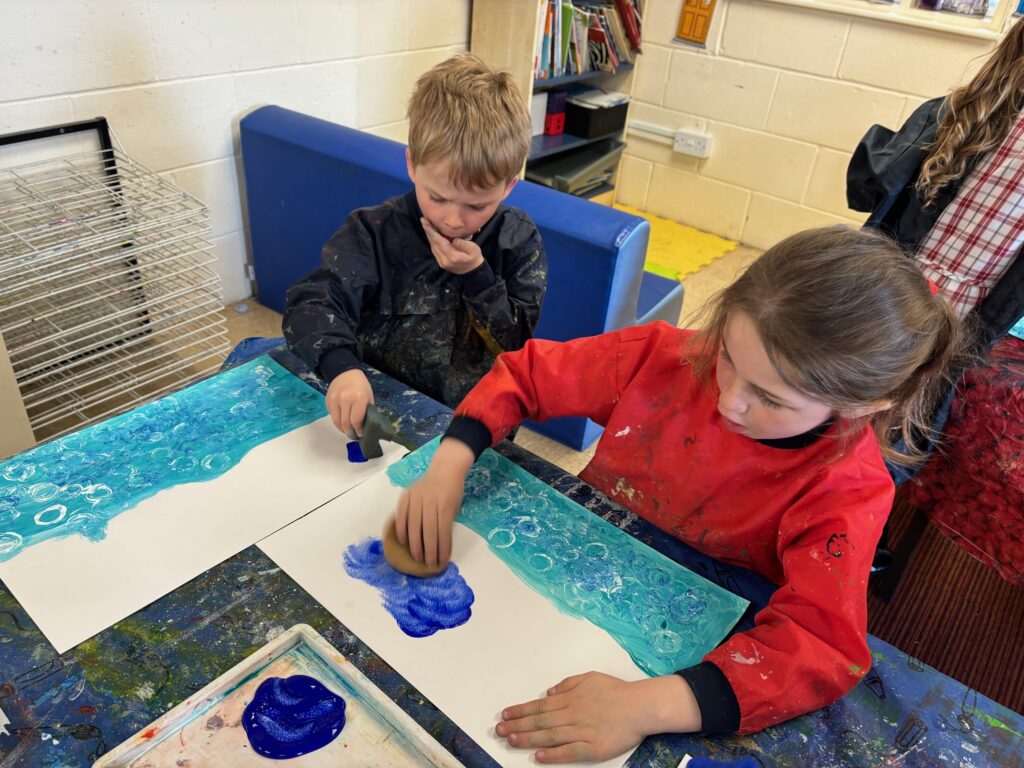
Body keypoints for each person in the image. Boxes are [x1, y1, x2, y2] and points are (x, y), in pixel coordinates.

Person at [394, 227, 965, 762]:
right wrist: (453, 459)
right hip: (585, 560)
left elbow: (821, 644)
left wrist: (648, 705)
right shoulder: (664, 355)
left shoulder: (847, 486)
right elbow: (527, 376)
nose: (728, 399)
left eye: (770, 398)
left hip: (695, 630)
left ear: (863, 405)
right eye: (727, 358)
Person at [283, 53, 547, 435]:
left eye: (477, 205)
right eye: (437, 197)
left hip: (476, 423)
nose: (454, 219)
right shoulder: (373, 231)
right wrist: (342, 369)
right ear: (412, 165)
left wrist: (478, 278)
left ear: (508, 187)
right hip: (383, 408)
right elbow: (310, 303)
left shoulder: (518, 240)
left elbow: (517, 347)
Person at [848, 15, 1024, 346]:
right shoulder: (960, 112)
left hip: (924, 291)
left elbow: (874, 184)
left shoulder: (959, 110)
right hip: (913, 290)